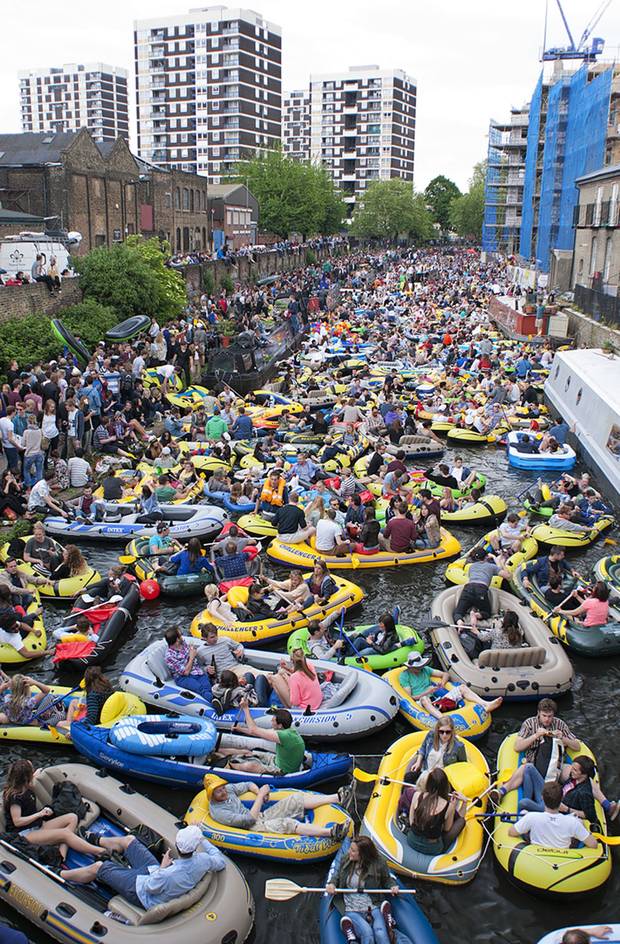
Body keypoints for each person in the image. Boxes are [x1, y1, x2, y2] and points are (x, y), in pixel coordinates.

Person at [61, 824, 226, 909]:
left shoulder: (166, 874)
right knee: (130, 840)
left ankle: (60, 873)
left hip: (142, 891)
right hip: (156, 874)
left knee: (98, 867)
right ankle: (96, 841)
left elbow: (150, 887)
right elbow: (220, 860)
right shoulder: (204, 860)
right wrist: (203, 838)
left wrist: (162, 866)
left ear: (177, 844)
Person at [2, 759, 106, 860]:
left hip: (37, 826)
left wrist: (35, 775)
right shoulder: (14, 797)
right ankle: (100, 851)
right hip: (24, 834)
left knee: (72, 817)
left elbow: (31, 782)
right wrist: (39, 814)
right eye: (32, 771)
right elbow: (17, 822)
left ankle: (61, 856)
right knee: (65, 833)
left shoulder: (25, 787)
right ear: (25, 778)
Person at [205, 776, 350, 840]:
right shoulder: (219, 812)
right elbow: (249, 820)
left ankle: (338, 798)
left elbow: (248, 784)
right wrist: (260, 796)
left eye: (223, 788)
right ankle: (331, 832)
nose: (224, 791)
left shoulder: (227, 789)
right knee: (287, 824)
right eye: (219, 791)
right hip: (250, 828)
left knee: (295, 799)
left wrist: (257, 791)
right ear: (212, 794)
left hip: (259, 816)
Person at [327, 835, 410, 944]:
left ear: (362, 854)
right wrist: (332, 884)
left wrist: (393, 886)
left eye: (353, 850)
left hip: (373, 905)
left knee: (380, 933)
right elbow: (337, 876)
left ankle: (388, 928)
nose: (349, 851)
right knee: (367, 933)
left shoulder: (379, 863)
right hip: (352, 908)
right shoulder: (346, 859)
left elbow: (387, 880)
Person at [399, 651, 502, 719]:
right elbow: (410, 698)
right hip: (421, 703)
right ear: (410, 666)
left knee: (461, 687)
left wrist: (442, 684)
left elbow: (445, 674)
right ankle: (442, 719)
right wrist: (427, 692)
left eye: (421, 666)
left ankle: (485, 704)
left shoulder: (425, 670)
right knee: (425, 699)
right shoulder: (405, 676)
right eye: (418, 667)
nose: (420, 668)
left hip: (435, 700)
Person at [508, 781, 598, 850]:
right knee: (580, 823)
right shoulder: (573, 822)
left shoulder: (531, 817)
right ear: (561, 799)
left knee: (523, 813)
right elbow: (593, 844)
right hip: (563, 856)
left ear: (542, 798)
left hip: (536, 855)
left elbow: (511, 832)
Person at [224, 700, 306, 776]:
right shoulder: (288, 731)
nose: (271, 722)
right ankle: (221, 754)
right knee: (248, 753)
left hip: (282, 770)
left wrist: (246, 708)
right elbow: (257, 732)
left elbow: (253, 729)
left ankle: (229, 766)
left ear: (280, 725)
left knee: (251, 766)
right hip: (276, 760)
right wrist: (239, 729)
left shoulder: (284, 736)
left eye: (273, 720)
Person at [406, 767, 466, 855]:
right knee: (461, 821)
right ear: (445, 786)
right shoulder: (448, 806)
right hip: (432, 849)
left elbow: (411, 822)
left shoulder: (417, 795)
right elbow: (447, 829)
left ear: (429, 783)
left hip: (412, 841)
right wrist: (460, 804)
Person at [452, 547, 511, 626]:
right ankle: (476, 615)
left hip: (468, 588)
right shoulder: (491, 566)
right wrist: (501, 563)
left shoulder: (471, 567)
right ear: (486, 557)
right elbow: (508, 576)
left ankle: (460, 622)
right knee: (486, 612)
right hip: (481, 590)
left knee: (458, 612)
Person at [164, 626, 212, 701]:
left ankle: (217, 700)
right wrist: (192, 657)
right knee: (199, 688)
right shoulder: (169, 657)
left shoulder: (183, 643)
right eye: (180, 635)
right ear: (177, 639)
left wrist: (192, 650)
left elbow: (190, 652)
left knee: (207, 685)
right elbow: (185, 672)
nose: (182, 636)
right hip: (183, 678)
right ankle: (215, 702)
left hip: (195, 670)